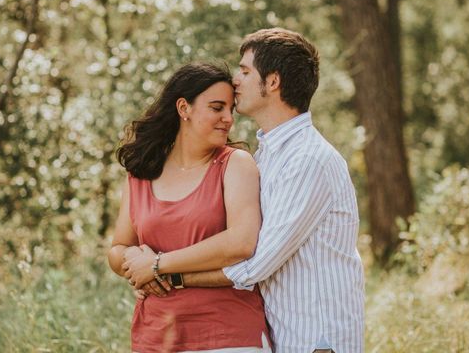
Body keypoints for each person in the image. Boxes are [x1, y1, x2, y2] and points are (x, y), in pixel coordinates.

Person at [124, 28, 365, 353]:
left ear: (273, 82)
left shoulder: (308, 159)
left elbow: (255, 262)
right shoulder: (267, 156)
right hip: (285, 333)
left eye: (245, 70)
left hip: (317, 341)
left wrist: (162, 273)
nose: (236, 80)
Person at [107, 62, 272, 353]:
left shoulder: (234, 164)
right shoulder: (141, 173)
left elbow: (241, 243)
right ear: (184, 108)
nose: (228, 119)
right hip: (154, 336)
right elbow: (117, 248)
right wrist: (132, 257)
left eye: (230, 109)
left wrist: (157, 266)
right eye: (217, 107)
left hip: (226, 334)